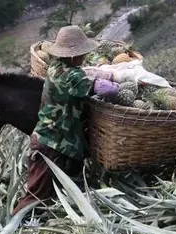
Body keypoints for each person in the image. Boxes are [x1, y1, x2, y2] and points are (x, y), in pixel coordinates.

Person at [12, 25, 119, 216]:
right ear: (72, 56)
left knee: (60, 193)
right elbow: (108, 90)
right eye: (81, 54)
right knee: (35, 198)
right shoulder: (73, 76)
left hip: (62, 145)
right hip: (51, 145)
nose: (84, 57)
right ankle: (10, 228)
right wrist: (114, 79)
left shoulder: (54, 67)